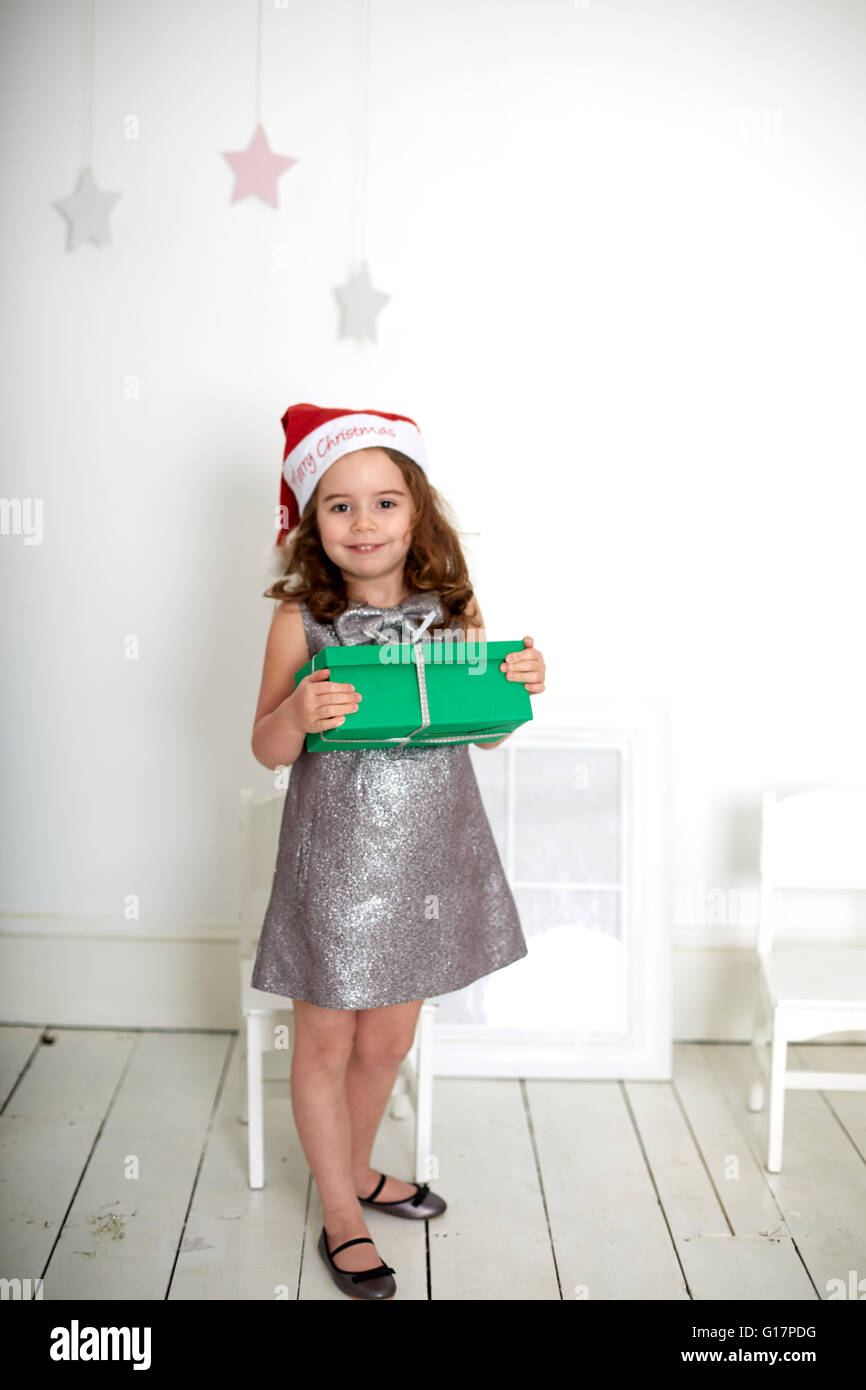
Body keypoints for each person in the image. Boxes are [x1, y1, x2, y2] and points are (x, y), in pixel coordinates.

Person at [250, 403, 546, 1299]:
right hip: (336, 866)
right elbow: (266, 746)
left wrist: (521, 683)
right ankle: (341, 1212)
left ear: (416, 511)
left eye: (384, 502)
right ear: (311, 522)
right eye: (339, 506)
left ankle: (361, 1165)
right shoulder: (303, 622)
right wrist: (296, 714)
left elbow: (486, 732)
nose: (364, 523)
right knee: (327, 1039)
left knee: (389, 1039)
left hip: (428, 858)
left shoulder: (455, 611)